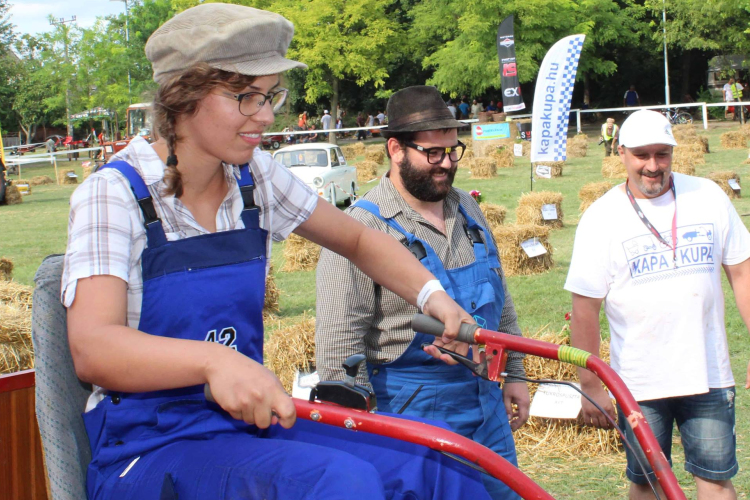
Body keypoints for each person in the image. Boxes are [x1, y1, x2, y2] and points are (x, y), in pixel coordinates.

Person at [62, 5, 495, 500]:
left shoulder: (255, 176)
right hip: (148, 446)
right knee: (340, 481)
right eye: (246, 97)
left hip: (247, 424)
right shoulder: (114, 195)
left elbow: (355, 238)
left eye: (270, 96)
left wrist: (433, 297)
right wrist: (212, 362)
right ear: (182, 97)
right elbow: (92, 348)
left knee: (432, 463)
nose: (266, 116)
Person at [316, 85, 530, 500]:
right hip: (411, 415)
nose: (447, 164)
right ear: (395, 149)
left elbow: (500, 300)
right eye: (433, 153)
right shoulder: (359, 230)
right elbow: (339, 348)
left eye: (453, 151)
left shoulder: (467, 207)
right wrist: (364, 434)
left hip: (487, 408)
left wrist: (515, 373)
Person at [565, 109, 750, 500]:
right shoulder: (601, 218)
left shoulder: (708, 196)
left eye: (662, 154)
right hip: (638, 382)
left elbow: (743, 274)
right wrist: (590, 384)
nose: (653, 166)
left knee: (716, 480)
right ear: (621, 152)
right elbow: (585, 308)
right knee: (647, 482)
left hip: (709, 373)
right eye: (642, 155)